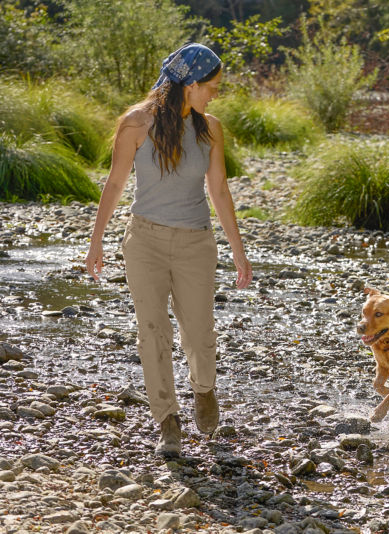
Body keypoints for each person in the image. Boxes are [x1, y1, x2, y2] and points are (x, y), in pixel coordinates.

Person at [85, 43, 253, 458]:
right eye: (211, 86)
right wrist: (96, 240)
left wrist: (238, 249)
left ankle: (204, 389)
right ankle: (168, 421)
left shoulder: (209, 127)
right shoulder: (136, 123)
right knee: (152, 332)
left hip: (196, 242)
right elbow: (115, 183)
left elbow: (218, 189)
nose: (215, 94)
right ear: (190, 84)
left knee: (199, 334)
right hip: (145, 242)